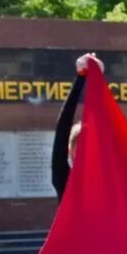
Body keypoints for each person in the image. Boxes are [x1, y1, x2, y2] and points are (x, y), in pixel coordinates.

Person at [49, 53, 102, 199]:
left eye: (90, 148)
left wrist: (98, 83)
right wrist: (81, 77)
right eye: (81, 149)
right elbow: (63, 129)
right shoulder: (64, 181)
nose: (86, 154)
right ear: (70, 152)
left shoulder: (106, 183)